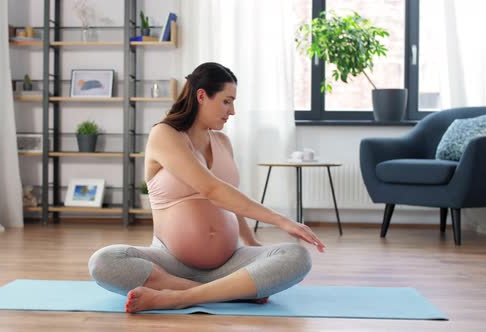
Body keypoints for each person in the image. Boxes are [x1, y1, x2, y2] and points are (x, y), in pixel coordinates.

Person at [88, 62, 325, 313]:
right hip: (171, 264)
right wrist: (282, 221)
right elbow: (212, 190)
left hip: (229, 261)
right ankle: (229, 291)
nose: (232, 111)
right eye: (226, 101)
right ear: (202, 96)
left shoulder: (223, 142)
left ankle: (181, 295)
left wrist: (252, 243)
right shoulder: (165, 134)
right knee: (104, 261)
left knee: (297, 257)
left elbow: (231, 201)